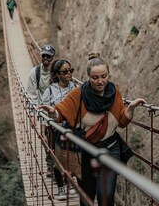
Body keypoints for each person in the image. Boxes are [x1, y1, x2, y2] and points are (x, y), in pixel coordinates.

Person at [39, 53, 146, 206]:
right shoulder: (79, 94)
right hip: (85, 151)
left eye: (104, 76)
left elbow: (121, 122)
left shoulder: (114, 92)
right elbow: (61, 112)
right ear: (88, 77)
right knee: (87, 198)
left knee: (106, 197)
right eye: (95, 78)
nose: (100, 81)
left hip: (110, 149)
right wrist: (53, 112)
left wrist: (130, 109)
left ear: (108, 74)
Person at [41, 58, 77, 200]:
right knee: (57, 159)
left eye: (70, 70)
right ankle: (61, 188)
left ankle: (69, 184)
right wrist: (43, 132)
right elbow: (44, 114)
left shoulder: (75, 88)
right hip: (54, 130)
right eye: (65, 71)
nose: (69, 73)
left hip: (70, 129)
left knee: (70, 157)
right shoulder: (49, 91)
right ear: (57, 74)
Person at [26, 44, 56, 174]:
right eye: (44, 55)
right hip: (44, 110)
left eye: (48, 56)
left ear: (52, 57)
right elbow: (31, 95)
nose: (46, 58)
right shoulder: (35, 73)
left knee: (59, 138)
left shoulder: (57, 71)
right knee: (47, 138)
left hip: (58, 108)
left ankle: (61, 167)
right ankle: (50, 165)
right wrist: (32, 114)